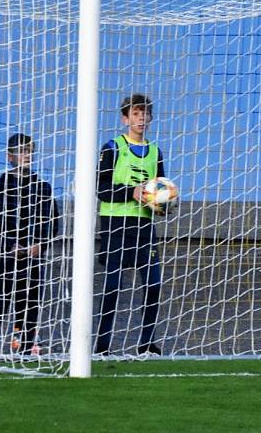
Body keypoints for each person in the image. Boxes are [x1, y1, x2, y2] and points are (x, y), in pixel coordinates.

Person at [94, 93, 174, 355]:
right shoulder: (112, 148)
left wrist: (163, 204)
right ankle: (102, 346)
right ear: (125, 118)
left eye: (145, 114)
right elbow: (101, 188)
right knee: (113, 286)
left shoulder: (155, 151)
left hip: (144, 227)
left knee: (153, 284)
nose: (141, 119)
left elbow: (160, 188)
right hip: (116, 225)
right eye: (136, 114)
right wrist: (131, 192)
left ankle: (147, 344)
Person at [0, 133, 58, 357]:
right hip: (5, 257)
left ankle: (26, 343)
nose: (26, 155)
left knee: (29, 302)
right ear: (10, 156)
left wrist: (40, 244)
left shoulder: (43, 188)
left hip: (33, 256)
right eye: (21, 151)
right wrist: (8, 245)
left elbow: (52, 222)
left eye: (29, 150)